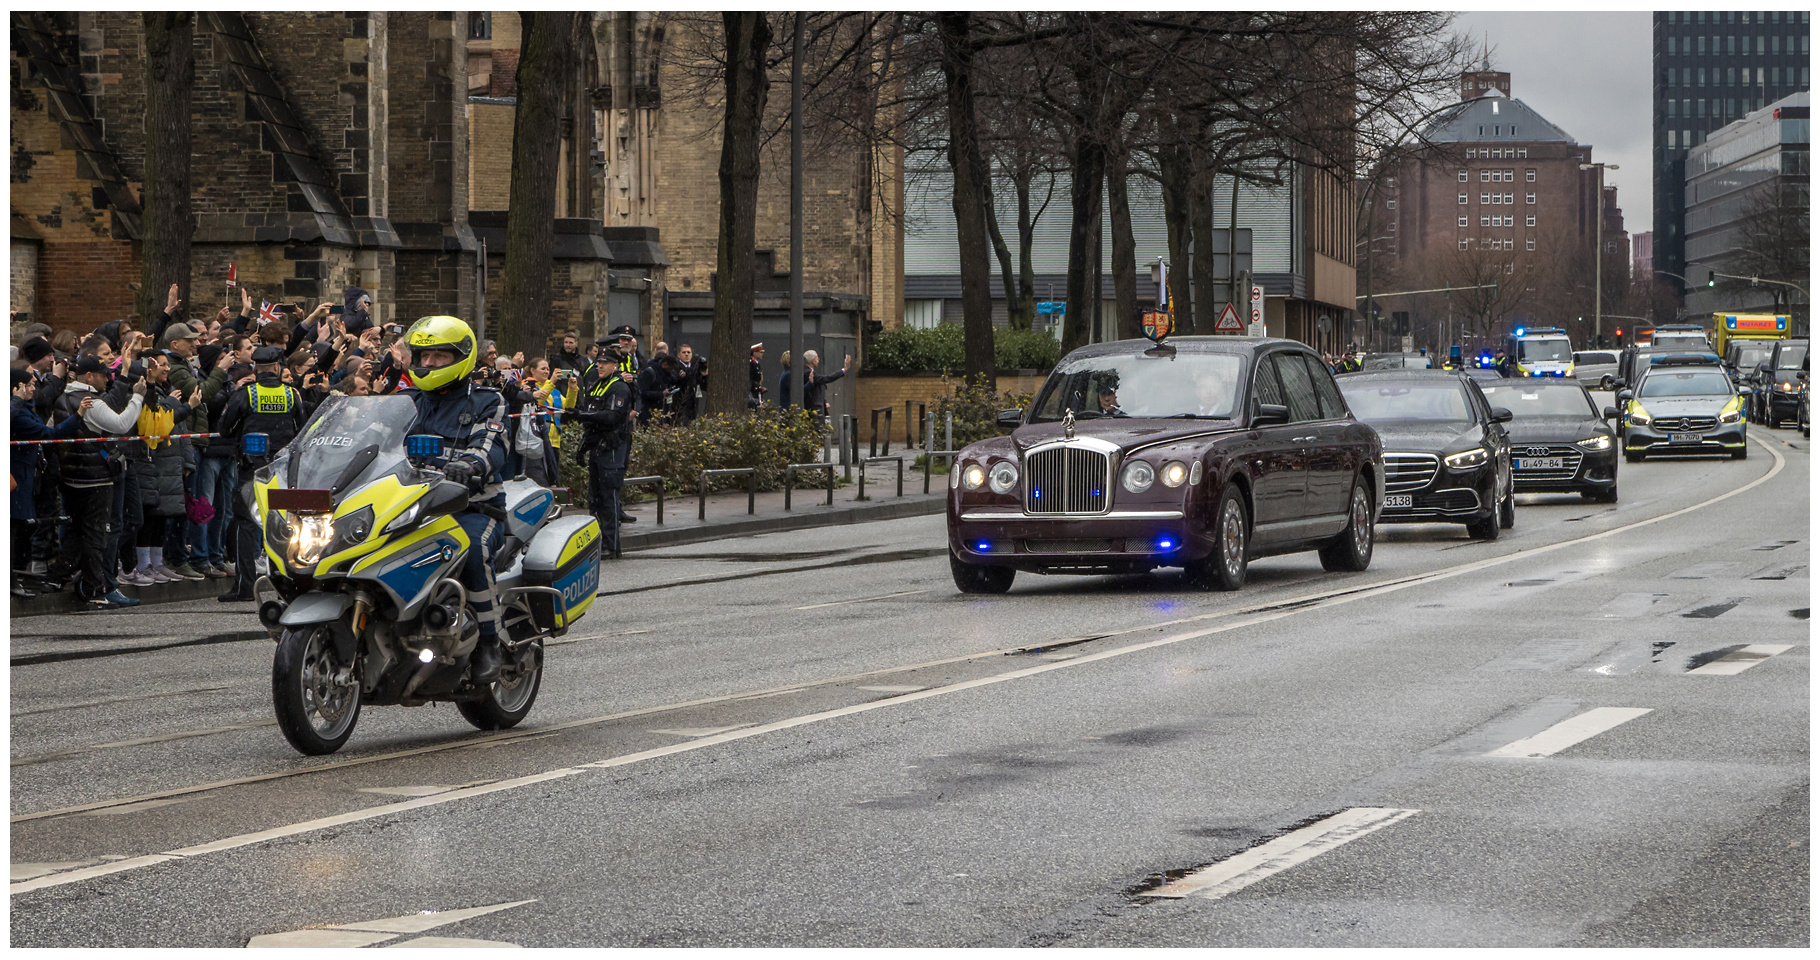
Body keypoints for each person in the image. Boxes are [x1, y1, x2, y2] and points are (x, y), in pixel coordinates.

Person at [396, 315, 513, 683]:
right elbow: (371, 441)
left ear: (461, 357)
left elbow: (493, 446)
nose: (427, 364)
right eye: (422, 357)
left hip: (473, 506)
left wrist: (469, 464)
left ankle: (491, 645)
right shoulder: (404, 401)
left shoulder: (486, 401)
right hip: (410, 508)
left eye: (438, 357)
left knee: (472, 549)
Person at [50, 354, 145, 608]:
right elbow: (122, 424)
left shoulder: (61, 399)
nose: (107, 379)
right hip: (95, 479)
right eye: (104, 375)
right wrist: (137, 396)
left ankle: (60, 575)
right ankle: (95, 587)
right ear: (89, 377)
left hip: (70, 478)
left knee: (72, 530)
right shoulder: (91, 401)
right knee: (96, 535)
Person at [215, 345, 307, 602]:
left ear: (256, 368)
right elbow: (303, 431)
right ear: (278, 367)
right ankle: (289, 585)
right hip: (283, 470)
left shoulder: (246, 394)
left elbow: (225, 428)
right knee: (287, 525)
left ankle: (245, 587)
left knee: (245, 524)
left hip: (251, 469)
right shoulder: (292, 395)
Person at [11, 368, 87, 598]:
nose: (34, 388)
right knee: (15, 527)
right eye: (29, 384)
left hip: (26, 474)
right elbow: (49, 434)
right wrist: (78, 415)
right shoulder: (16, 411)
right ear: (17, 388)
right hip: (16, 476)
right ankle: (11, 578)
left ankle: (15, 575)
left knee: (23, 526)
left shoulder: (23, 408)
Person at [573, 332, 638, 557]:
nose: (600, 366)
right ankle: (600, 542)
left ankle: (611, 545)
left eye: (605, 363)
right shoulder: (596, 386)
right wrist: (582, 447)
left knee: (609, 499)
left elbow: (611, 417)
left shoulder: (618, 387)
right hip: (597, 447)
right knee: (595, 498)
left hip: (612, 447)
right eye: (599, 362)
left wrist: (583, 416)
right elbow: (592, 418)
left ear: (615, 365)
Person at [800, 349, 849, 424]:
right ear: (813, 360)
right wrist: (843, 370)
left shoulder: (809, 372)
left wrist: (824, 401)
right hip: (814, 408)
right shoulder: (808, 373)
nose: (818, 360)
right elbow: (827, 378)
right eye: (817, 358)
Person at [748, 342, 767, 407]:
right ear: (754, 353)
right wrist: (757, 386)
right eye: (760, 352)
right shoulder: (751, 364)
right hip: (753, 391)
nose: (762, 354)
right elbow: (750, 379)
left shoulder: (756, 364)